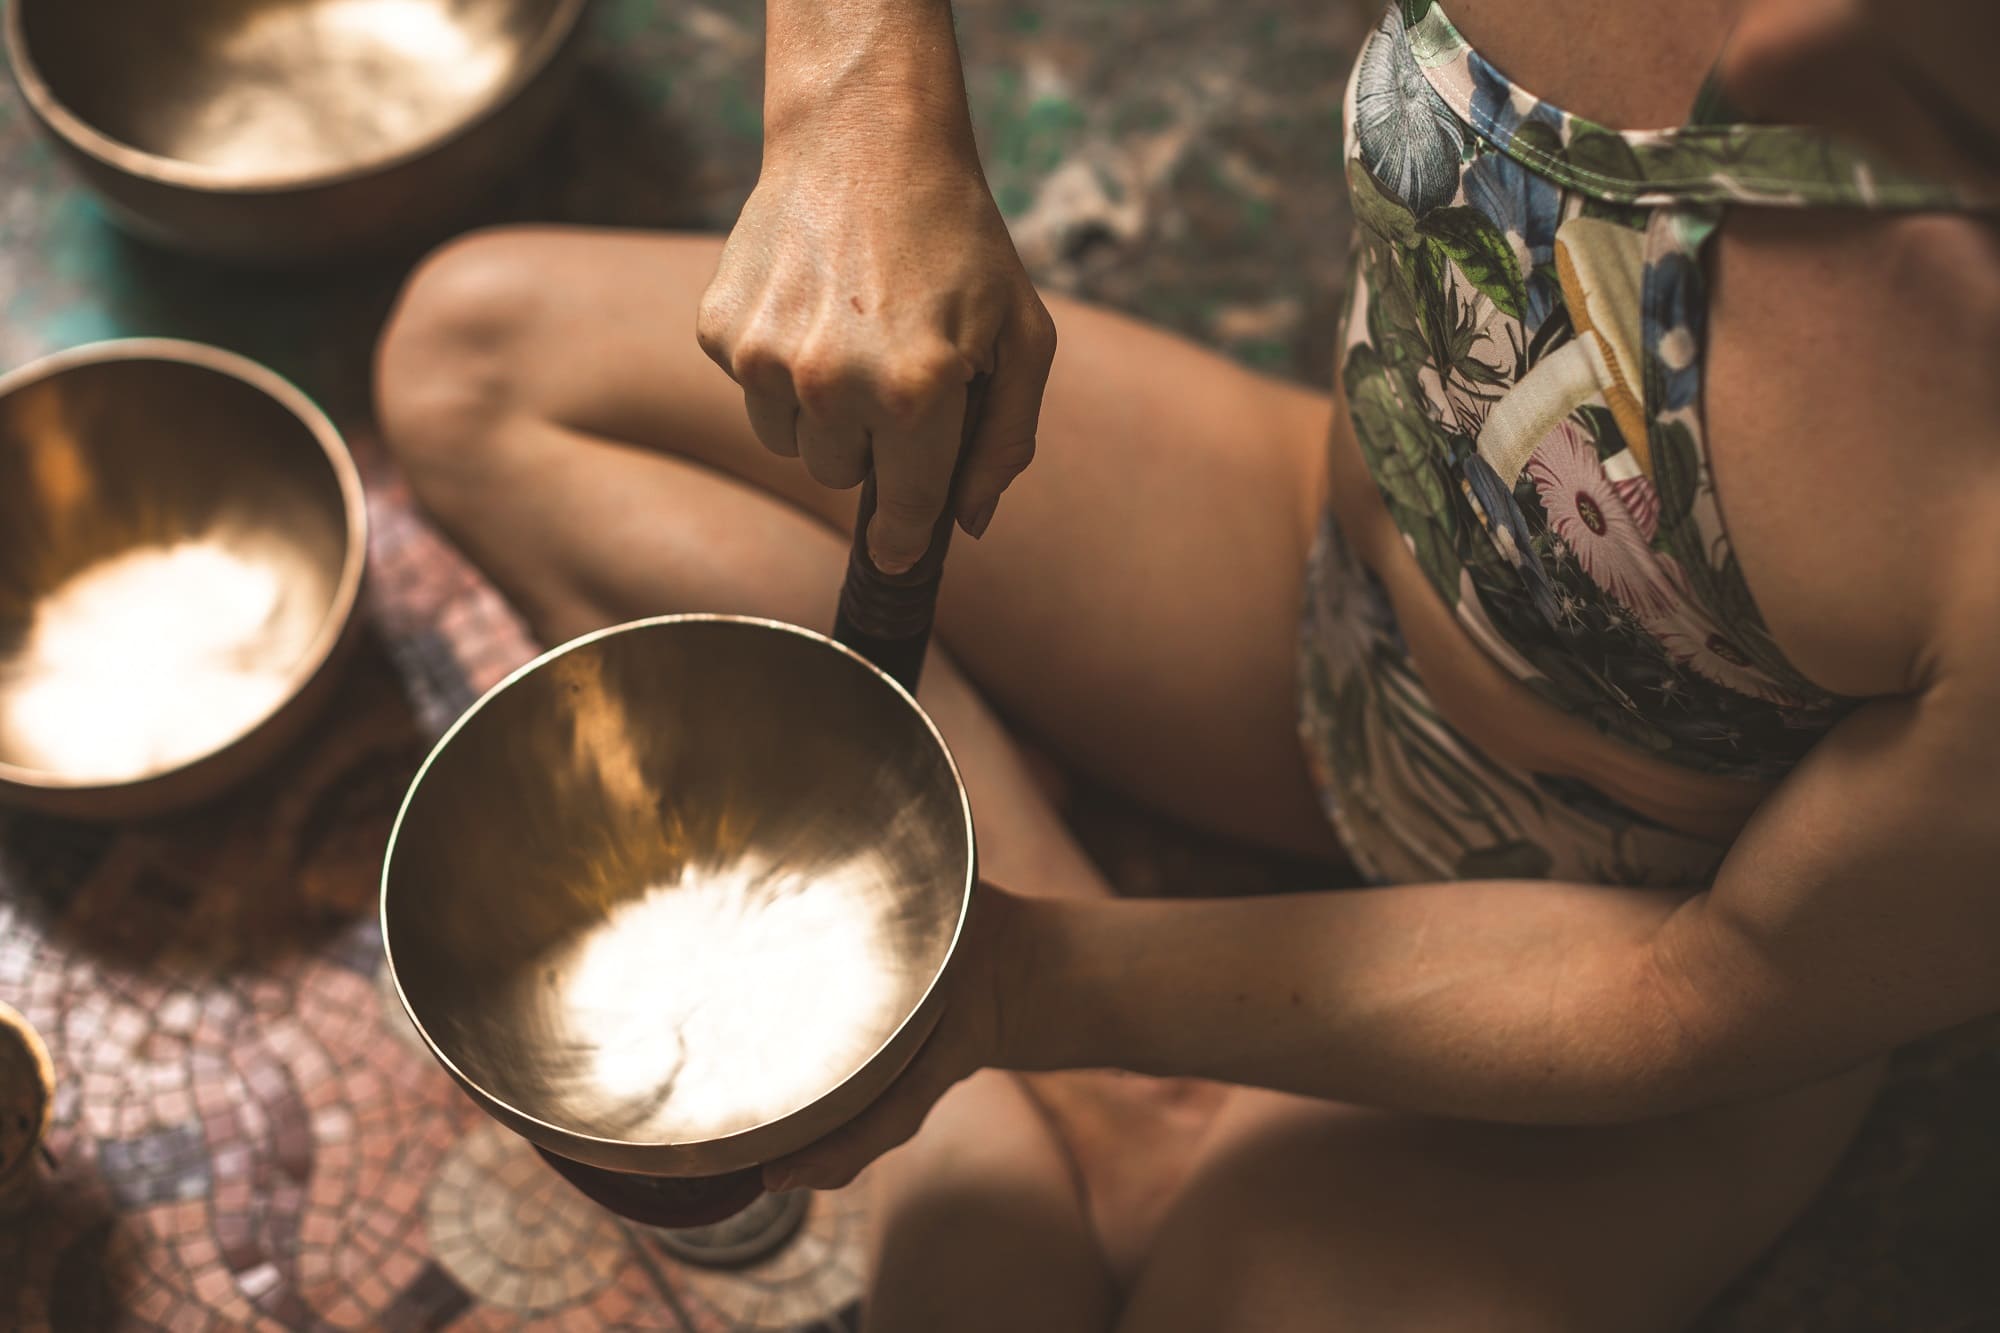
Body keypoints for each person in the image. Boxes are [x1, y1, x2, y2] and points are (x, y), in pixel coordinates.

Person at [373, 0, 2000, 1324]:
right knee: (481, 359)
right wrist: (857, 96)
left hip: (1635, 933)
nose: (1780, 37)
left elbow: (1707, 994)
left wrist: (1025, 992)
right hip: (1331, 575)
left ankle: (1014, 1016)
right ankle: (1044, 1038)